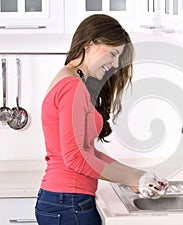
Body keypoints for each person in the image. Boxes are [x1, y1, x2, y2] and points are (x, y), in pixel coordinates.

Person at [35, 14, 169, 225]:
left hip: (64, 200)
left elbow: (88, 152)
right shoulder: (73, 87)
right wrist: (130, 178)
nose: (115, 64)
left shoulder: (72, 80)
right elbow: (76, 158)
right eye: (113, 54)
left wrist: (137, 175)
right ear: (89, 43)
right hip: (69, 202)